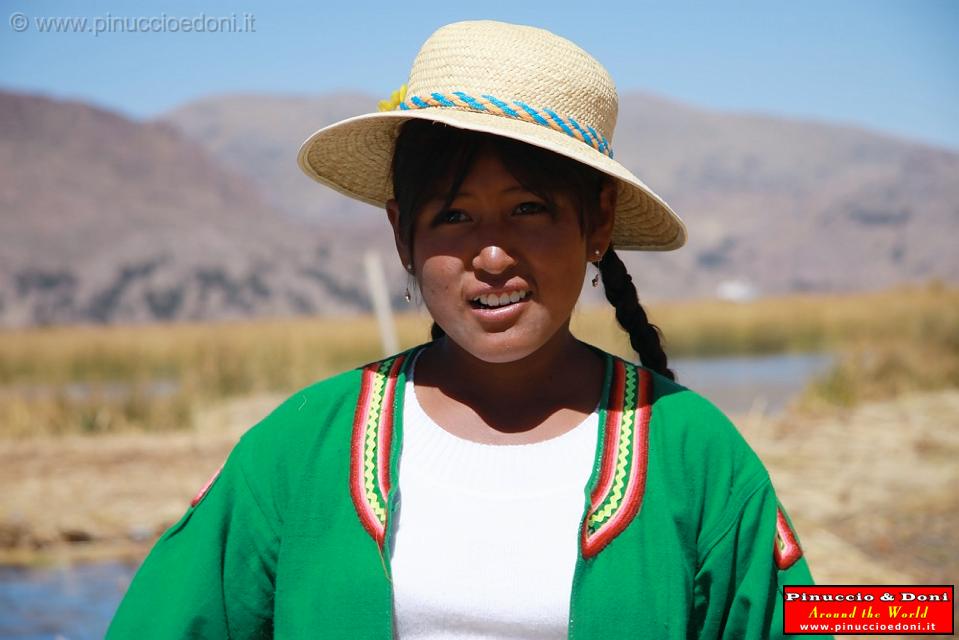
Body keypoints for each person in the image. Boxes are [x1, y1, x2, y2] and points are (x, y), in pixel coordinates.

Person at [108, 20, 821, 639]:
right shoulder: (300, 449)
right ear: (401, 232)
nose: (490, 254)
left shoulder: (692, 453)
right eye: (452, 215)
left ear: (596, 221)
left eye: (530, 209)